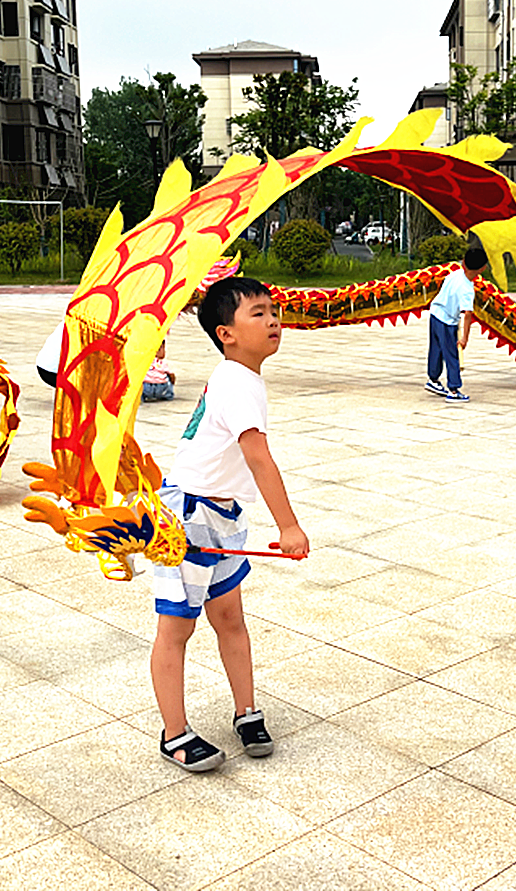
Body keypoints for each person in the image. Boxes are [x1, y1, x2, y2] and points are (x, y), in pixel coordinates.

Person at [151, 276, 309, 772]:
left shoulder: (239, 376)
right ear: (227, 334)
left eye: (273, 311)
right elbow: (258, 457)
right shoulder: (237, 383)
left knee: (229, 619)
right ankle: (174, 733)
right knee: (176, 627)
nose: (273, 320)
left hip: (220, 515)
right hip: (188, 516)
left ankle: (246, 711)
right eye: (258, 313)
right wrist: (289, 527)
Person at [425, 247, 488, 402]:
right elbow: (467, 315)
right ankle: (453, 390)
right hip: (447, 322)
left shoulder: (454, 274)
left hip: (435, 314)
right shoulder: (467, 290)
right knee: (452, 355)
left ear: (464, 262)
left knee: (436, 349)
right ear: (482, 268)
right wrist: (464, 338)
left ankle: (433, 380)